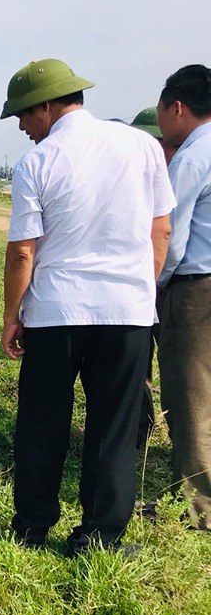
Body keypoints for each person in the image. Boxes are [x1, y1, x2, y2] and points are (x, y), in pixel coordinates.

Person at [0, 58, 175, 556]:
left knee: (42, 422)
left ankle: (32, 528)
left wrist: (12, 317)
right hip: (127, 313)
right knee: (114, 425)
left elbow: (22, 251)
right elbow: (159, 229)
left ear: (48, 106)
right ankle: (100, 536)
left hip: (57, 314)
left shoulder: (38, 162)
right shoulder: (143, 147)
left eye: (23, 115)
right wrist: (140, 287)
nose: (21, 127)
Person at [155, 64, 211, 532]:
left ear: (177, 107)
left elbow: (171, 236)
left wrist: (156, 282)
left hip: (196, 291)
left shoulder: (191, 158)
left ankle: (199, 511)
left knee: (190, 395)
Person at [128, 106, 178, 448]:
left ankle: (183, 441)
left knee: (178, 368)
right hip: (146, 281)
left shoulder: (185, 170)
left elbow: (167, 233)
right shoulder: (136, 176)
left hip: (171, 283)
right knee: (138, 366)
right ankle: (137, 434)